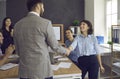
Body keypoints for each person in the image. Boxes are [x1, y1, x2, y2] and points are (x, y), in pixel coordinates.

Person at [13, 0, 69, 79]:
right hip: (42, 72)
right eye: (43, 6)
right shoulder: (46, 23)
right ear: (38, 6)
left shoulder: (17, 25)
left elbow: (18, 51)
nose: (43, 9)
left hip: (24, 72)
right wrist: (66, 51)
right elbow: (55, 46)